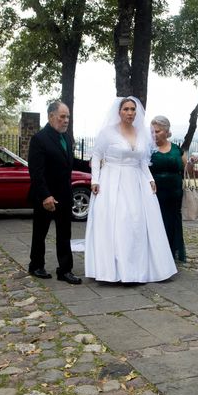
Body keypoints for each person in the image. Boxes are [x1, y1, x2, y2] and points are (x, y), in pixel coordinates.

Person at [84, 97, 177, 283]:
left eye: (133, 109)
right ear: (119, 111)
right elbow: (96, 156)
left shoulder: (142, 133)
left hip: (136, 182)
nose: (130, 112)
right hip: (112, 181)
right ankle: (115, 270)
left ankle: (136, 269)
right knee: (118, 222)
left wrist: (150, 179)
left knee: (136, 223)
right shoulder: (108, 132)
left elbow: (142, 160)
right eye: (126, 109)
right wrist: (95, 179)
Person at [27, 101, 91, 285]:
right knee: (40, 232)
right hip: (45, 196)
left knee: (65, 233)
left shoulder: (66, 138)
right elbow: (36, 172)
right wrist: (45, 196)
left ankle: (65, 270)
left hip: (64, 194)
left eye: (68, 117)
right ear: (51, 116)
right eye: (62, 116)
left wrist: (90, 165)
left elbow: (69, 162)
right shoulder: (39, 139)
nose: (66, 120)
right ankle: (36, 265)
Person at [149, 115, 192, 262]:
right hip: (155, 193)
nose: (154, 134)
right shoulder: (149, 149)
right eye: (153, 131)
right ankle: (156, 253)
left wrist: (191, 162)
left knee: (172, 221)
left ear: (167, 132)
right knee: (157, 221)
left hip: (174, 193)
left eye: (158, 131)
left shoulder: (176, 149)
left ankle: (172, 251)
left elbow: (187, 170)